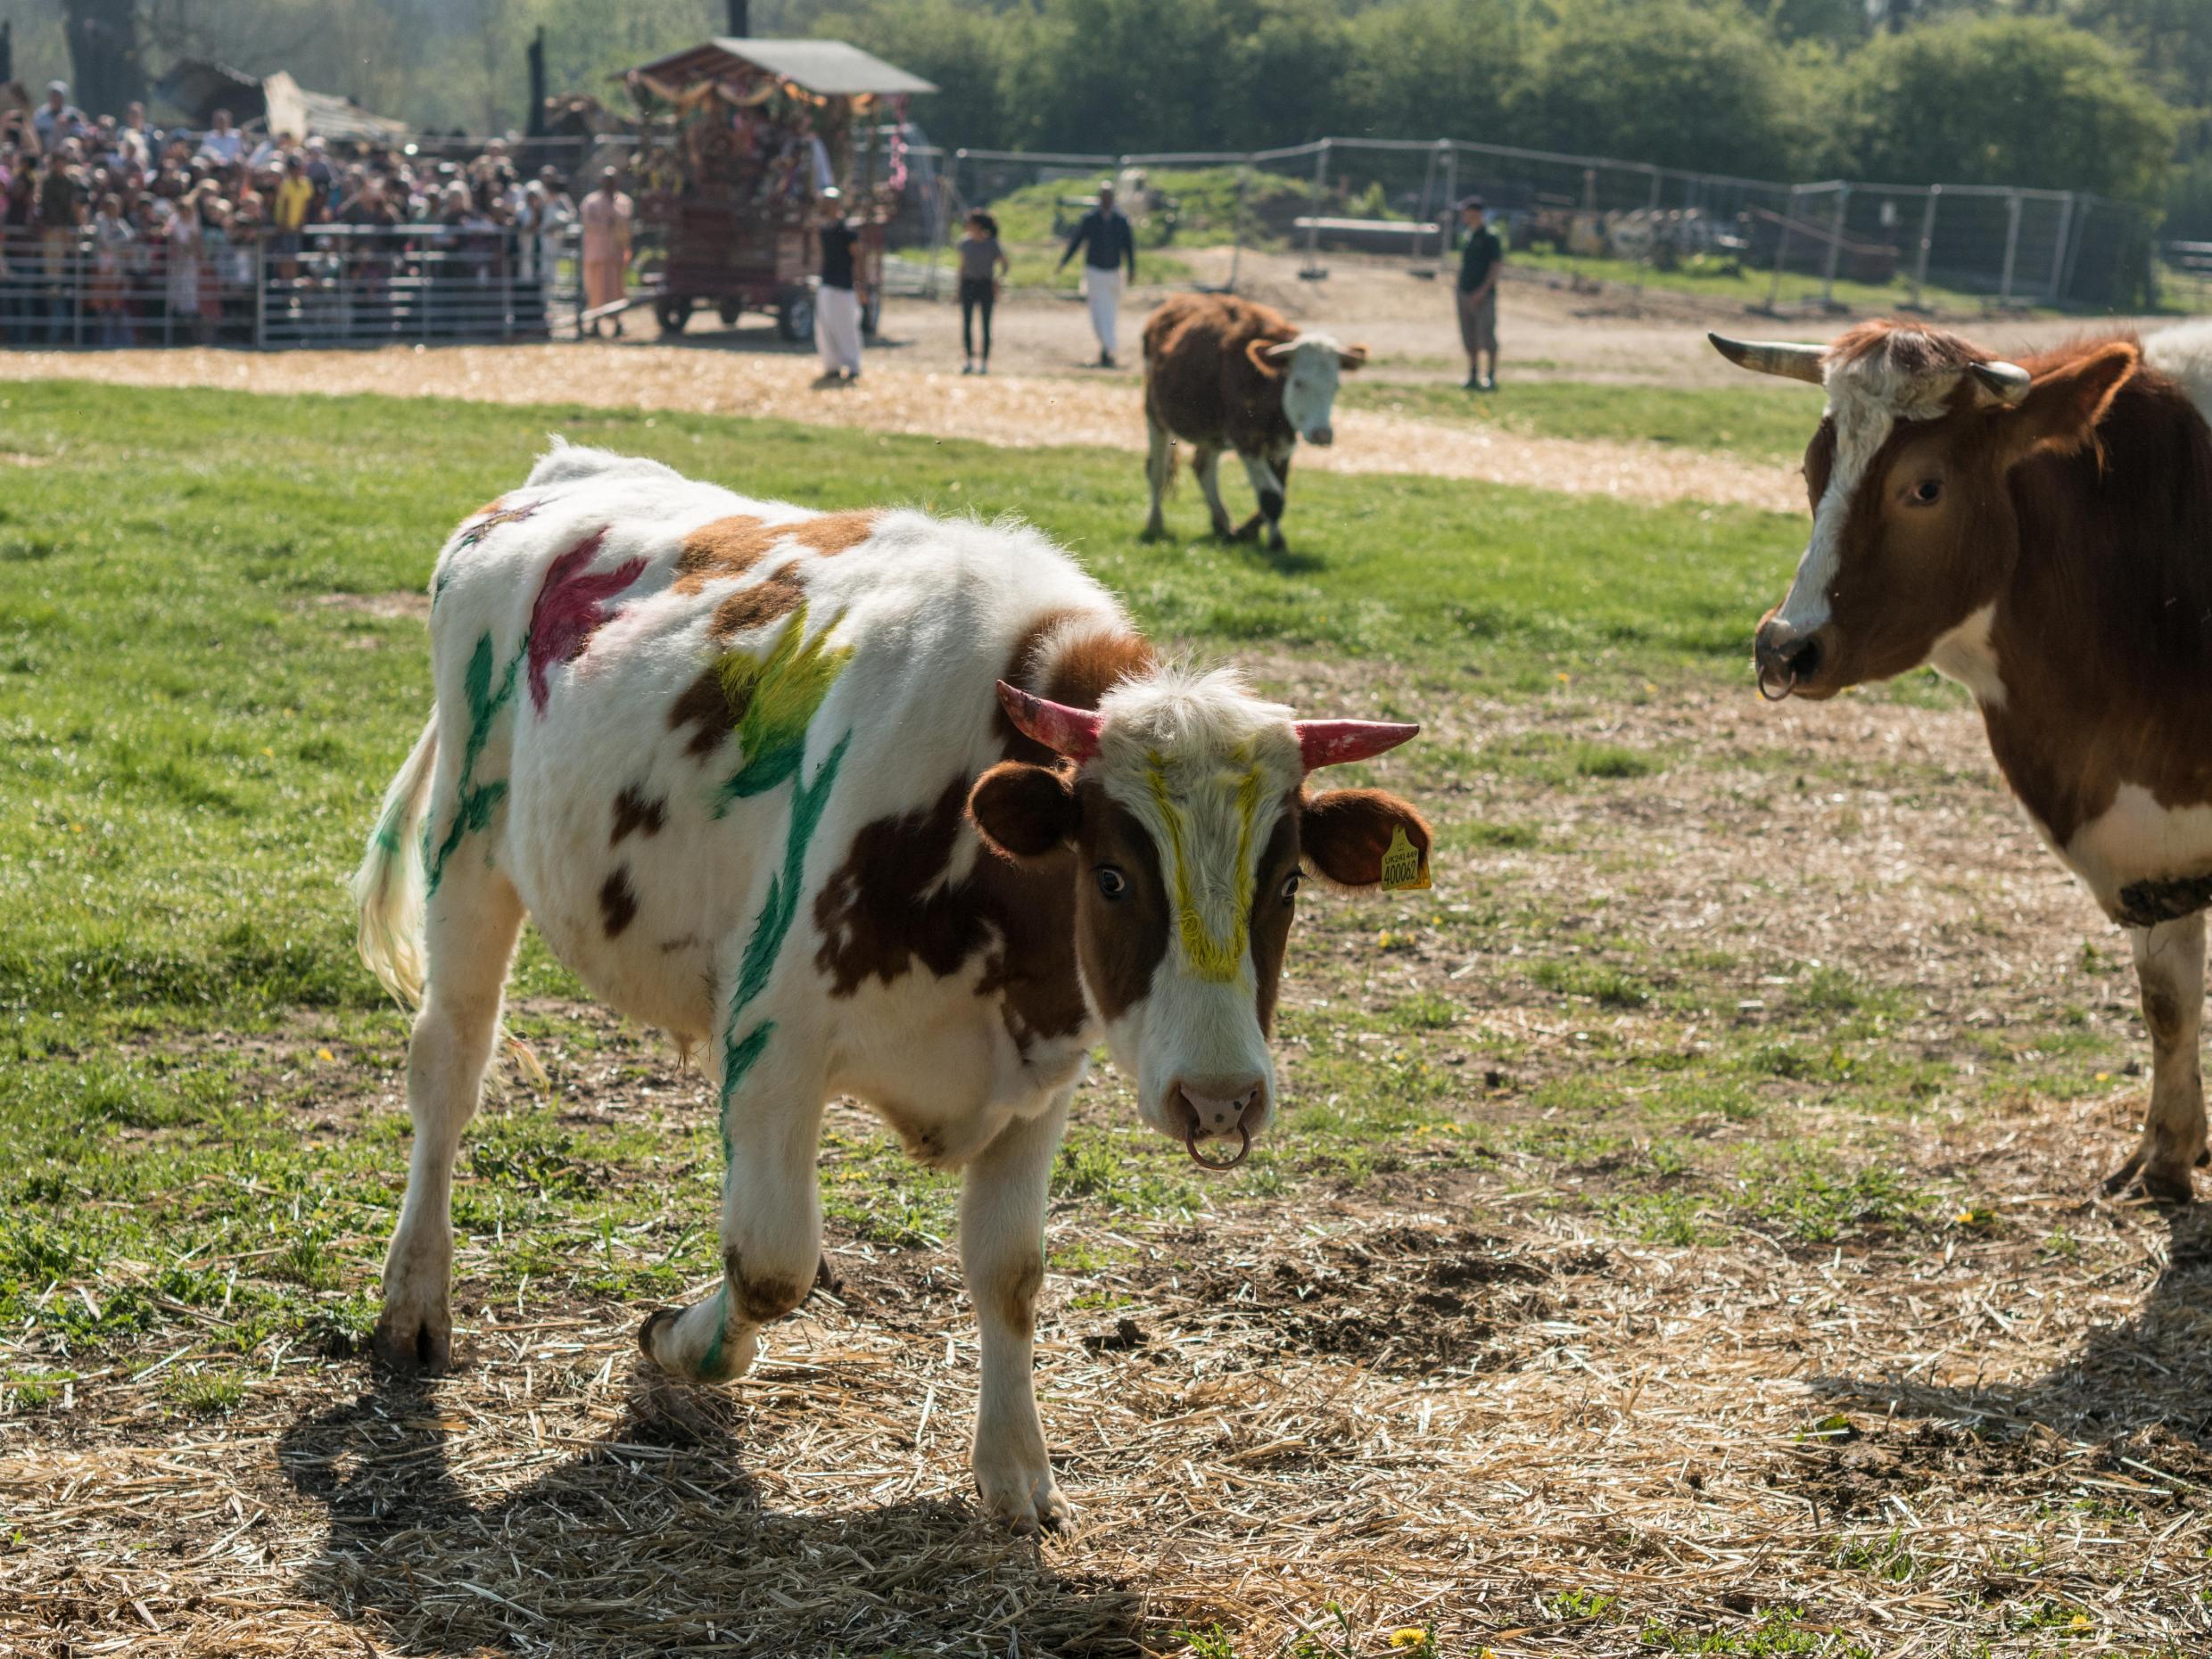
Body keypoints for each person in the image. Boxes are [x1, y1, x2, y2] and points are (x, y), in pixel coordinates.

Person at [1057, 182, 1135, 367]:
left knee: (1110, 312)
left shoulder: (1121, 220)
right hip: (1094, 271)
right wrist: (1064, 261)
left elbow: (1129, 247)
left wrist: (1132, 269)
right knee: (1097, 313)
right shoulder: (1090, 219)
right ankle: (1106, 346)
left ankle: (1109, 348)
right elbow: (1077, 241)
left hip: (1113, 271)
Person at [812, 186, 864, 383]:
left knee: (846, 328)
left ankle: (852, 365)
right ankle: (831, 365)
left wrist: (861, 285)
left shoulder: (847, 231)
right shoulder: (825, 229)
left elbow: (858, 258)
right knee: (826, 328)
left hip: (844, 286)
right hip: (827, 284)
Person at [1456, 194, 1503, 392]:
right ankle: (1473, 375)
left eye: (1467, 212)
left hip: (1483, 295)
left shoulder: (1490, 236)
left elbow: (1495, 267)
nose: (1464, 215)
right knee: (1470, 337)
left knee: (1486, 336)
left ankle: (1490, 376)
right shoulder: (1468, 235)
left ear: (1477, 213)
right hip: (1464, 293)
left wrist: (1482, 291)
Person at [579, 167, 631, 336]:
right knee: (595, 290)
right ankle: (595, 324)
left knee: (617, 291)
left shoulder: (623, 201)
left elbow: (625, 226)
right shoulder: (591, 201)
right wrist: (605, 224)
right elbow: (588, 223)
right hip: (596, 254)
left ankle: (617, 324)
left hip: (615, 255)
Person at [957, 209, 1008, 376]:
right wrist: (958, 289)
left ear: (977, 225)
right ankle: (968, 360)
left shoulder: (992, 244)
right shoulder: (965, 243)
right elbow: (962, 267)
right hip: (969, 285)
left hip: (986, 285)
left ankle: (984, 362)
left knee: (986, 325)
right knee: (967, 324)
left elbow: (1005, 264)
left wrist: (998, 280)